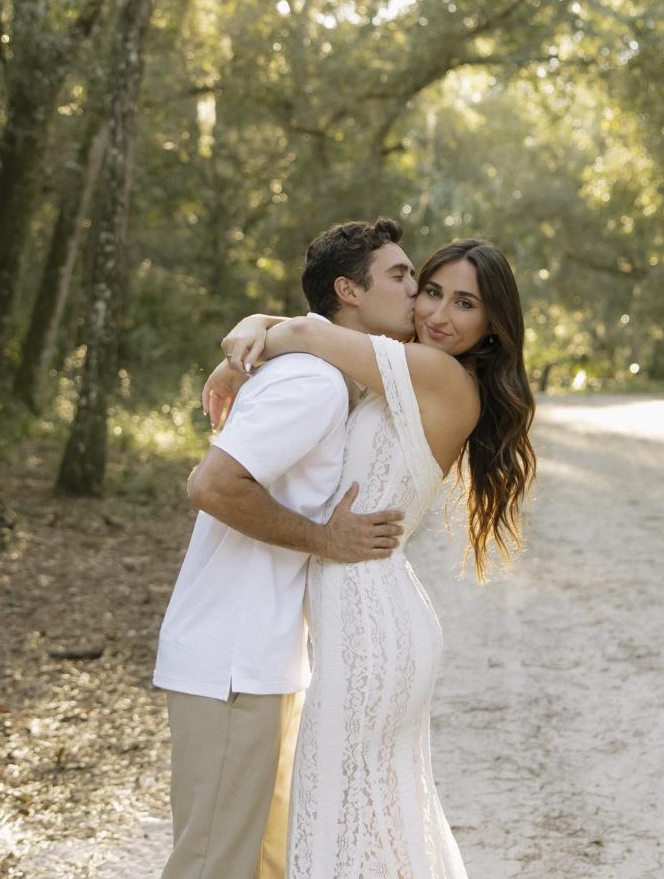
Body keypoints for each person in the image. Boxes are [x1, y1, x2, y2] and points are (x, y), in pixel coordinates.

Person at [211, 237, 537, 878]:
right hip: (369, 616)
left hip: (371, 630)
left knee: (337, 822)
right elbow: (314, 331)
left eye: (465, 303)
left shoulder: (438, 374)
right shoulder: (405, 367)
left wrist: (243, 345)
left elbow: (313, 334)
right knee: (374, 822)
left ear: (492, 323)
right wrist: (249, 333)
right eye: (432, 292)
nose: (438, 313)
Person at [153, 217, 418, 879]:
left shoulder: (329, 374)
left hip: (265, 663)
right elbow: (212, 485)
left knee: (265, 866)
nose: (415, 289)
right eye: (400, 275)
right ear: (348, 291)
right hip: (231, 662)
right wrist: (327, 540)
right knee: (213, 868)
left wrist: (258, 331)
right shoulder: (312, 383)